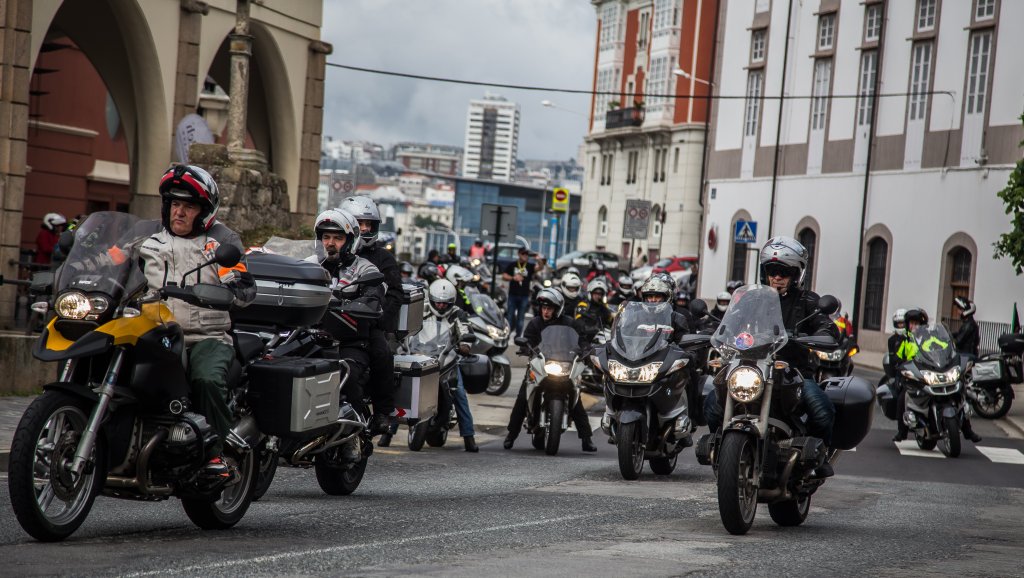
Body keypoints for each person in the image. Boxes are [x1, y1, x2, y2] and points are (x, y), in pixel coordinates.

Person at [138, 165, 256, 478]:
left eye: (188, 206)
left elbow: (244, 291)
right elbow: (112, 264)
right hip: (155, 332)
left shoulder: (219, 243)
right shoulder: (146, 240)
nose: (179, 212)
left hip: (206, 336)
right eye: (174, 204)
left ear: (203, 212)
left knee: (205, 379)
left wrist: (228, 288)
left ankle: (215, 456)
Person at [704, 236, 838, 478]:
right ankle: (720, 446)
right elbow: (730, 322)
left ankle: (819, 456)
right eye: (771, 270)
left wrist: (822, 334)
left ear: (796, 274)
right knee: (712, 403)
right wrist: (712, 331)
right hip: (751, 366)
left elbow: (825, 325)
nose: (776, 277)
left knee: (821, 409)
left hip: (793, 371)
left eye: (783, 272)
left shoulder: (808, 301)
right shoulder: (750, 299)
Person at [307, 208, 389, 454]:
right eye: (326, 237)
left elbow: (377, 291)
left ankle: (362, 424)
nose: (330, 243)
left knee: (348, 374)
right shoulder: (310, 265)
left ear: (350, 241)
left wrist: (365, 301)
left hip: (350, 340)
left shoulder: (364, 269)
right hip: (311, 338)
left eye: (337, 238)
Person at [504, 288, 596, 452]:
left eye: (549, 308)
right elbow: (528, 341)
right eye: (544, 308)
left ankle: (587, 439)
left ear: (557, 309)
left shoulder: (569, 323)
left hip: (564, 366)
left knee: (576, 399)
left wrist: (586, 350)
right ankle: (511, 434)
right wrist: (526, 348)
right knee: (523, 397)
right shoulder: (535, 323)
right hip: (540, 366)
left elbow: (581, 340)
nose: (546, 311)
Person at [339, 195, 400, 434]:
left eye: (369, 224)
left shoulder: (382, 259)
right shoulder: (328, 253)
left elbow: (395, 293)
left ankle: (383, 412)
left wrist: (380, 319)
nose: (365, 228)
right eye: (359, 222)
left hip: (367, 324)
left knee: (382, 352)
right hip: (332, 320)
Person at [892, 308, 982, 443]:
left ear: (922, 325)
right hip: (916, 376)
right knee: (902, 397)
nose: (913, 326)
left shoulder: (931, 337)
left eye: (916, 323)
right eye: (911, 323)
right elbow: (897, 359)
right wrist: (899, 365)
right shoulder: (905, 341)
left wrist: (953, 355)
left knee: (960, 394)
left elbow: (946, 347)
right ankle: (902, 432)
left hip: (935, 371)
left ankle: (968, 430)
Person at [418, 279, 481, 452]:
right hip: (422, 357)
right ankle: (389, 431)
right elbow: (409, 328)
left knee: (459, 393)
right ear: (431, 299)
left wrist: (465, 345)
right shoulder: (421, 309)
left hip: (447, 360)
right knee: (401, 385)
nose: (440, 306)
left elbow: (465, 329)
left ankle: (469, 436)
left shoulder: (457, 313)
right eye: (437, 302)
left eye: (444, 303)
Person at [502, 247, 534, 337]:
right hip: (513, 295)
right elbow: (504, 276)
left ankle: (518, 336)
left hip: (524, 296)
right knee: (510, 316)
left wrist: (538, 258)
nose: (525, 256)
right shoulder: (513, 264)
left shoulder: (530, 266)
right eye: (523, 254)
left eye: (527, 254)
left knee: (521, 318)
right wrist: (513, 278)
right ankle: (507, 335)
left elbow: (540, 267)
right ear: (519, 254)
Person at [574, 278, 613, 343]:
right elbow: (578, 322)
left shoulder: (604, 306)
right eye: (596, 293)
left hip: (602, 337)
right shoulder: (583, 304)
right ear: (590, 293)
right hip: (585, 337)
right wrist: (591, 328)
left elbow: (611, 322)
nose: (598, 296)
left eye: (600, 294)